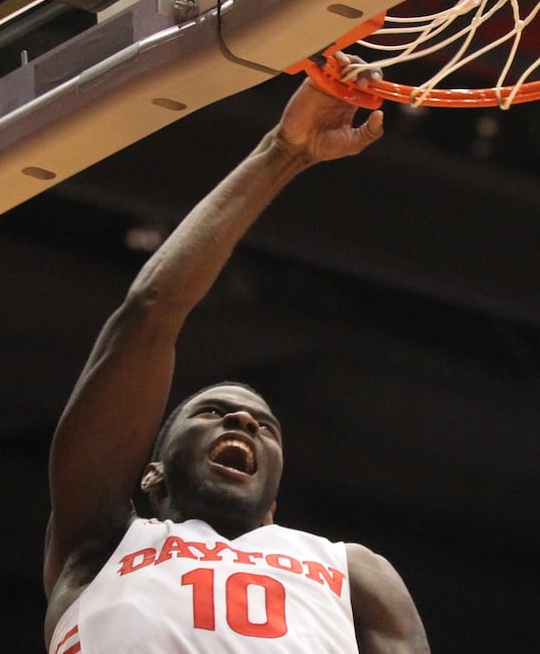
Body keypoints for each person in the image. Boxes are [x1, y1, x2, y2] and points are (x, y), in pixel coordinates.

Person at [42, 72, 430, 653]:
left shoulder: (354, 574)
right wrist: (284, 151)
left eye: (264, 425)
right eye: (212, 412)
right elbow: (150, 312)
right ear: (152, 474)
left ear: (273, 504)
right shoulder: (99, 545)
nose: (244, 422)